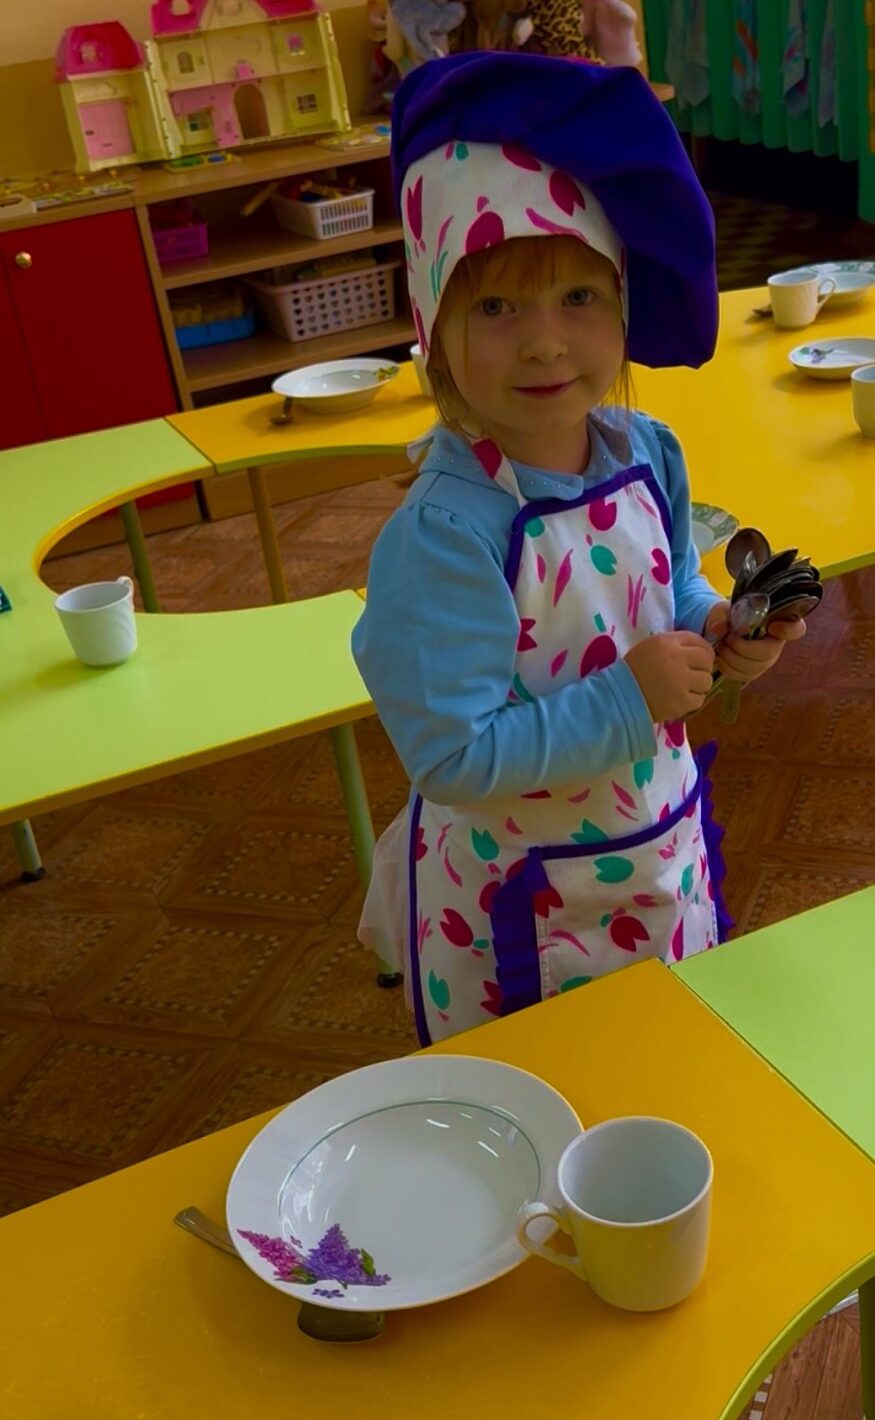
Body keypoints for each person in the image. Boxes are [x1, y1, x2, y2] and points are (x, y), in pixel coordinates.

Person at [352, 53, 805, 1044]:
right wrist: (630, 699)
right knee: (550, 1090)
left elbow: (668, 591)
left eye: (577, 297)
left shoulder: (647, 452)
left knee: (661, 1054)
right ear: (433, 326)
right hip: (515, 898)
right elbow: (451, 754)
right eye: (495, 307)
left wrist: (719, 632)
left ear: (621, 301)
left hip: (651, 847)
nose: (544, 342)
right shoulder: (444, 535)